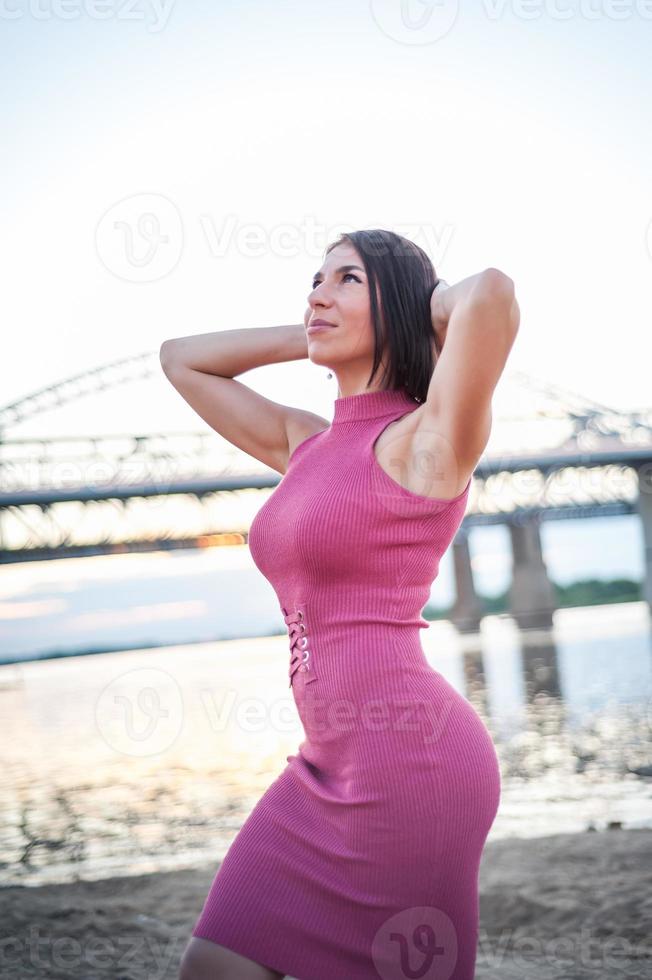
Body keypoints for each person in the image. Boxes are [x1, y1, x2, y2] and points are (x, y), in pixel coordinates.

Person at [160, 229, 520, 980]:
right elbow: (181, 357)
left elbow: (491, 293)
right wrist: (320, 332)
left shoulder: (428, 440)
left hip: (410, 762)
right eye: (314, 280)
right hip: (323, 768)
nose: (317, 292)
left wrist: (417, 310)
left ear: (398, 304)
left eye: (346, 280)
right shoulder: (306, 445)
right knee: (212, 967)